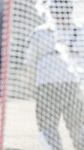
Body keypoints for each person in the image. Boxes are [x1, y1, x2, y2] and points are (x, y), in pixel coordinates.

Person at [26, 0, 84, 150]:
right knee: (77, 125)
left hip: (47, 86)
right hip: (73, 86)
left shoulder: (40, 32)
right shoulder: (81, 31)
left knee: (47, 126)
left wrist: (32, 85)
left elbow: (29, 62)